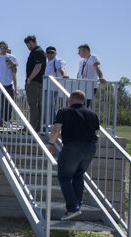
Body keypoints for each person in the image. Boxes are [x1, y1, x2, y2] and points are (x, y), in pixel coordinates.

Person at [46, 90, 99, 220]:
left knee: (64, 177)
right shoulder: (92, 114)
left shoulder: (64, 111)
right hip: (90, 147)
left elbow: (56, 129)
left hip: (72, 147)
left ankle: (72, 208)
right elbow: (96, 132)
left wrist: (51, 143)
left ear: (71, 99)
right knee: (78, 176)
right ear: (83, 100)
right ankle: (77, 206)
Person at [24, 35, 46, 132]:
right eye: (27, 45)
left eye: (30, 44)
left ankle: (32, 127)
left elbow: (38, 66)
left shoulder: (38, 52)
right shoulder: (36, 52)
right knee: (37, 105)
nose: (29, 46)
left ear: (35, 41)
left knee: (33, 104)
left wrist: (30, 78)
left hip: (34, 82)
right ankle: (37, 126)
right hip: (37, 82)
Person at [43, 46, 68, 129]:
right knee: (47, 106)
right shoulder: (47, 63)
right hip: (46, 88)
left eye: (52, 52)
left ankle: (53, 123)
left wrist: (64, 74)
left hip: (53, 88)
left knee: (50, 106)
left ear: (55, 53)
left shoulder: (57, 61)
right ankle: (49, 123)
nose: (50, 54)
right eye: (48, 52)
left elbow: (61, 68)